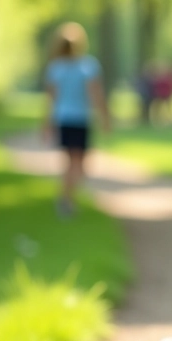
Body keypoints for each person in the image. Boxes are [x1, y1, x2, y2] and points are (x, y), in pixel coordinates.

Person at [42, 22, 111, 217]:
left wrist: (47, 124)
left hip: (67, 119)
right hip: (77, 119)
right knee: (78, 163)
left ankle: (67, 197)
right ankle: (67, 199)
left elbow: (50, 100)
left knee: (72, 162)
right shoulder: (84, 67)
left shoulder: (61, 68)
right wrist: (105, 117)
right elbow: (96, 95)